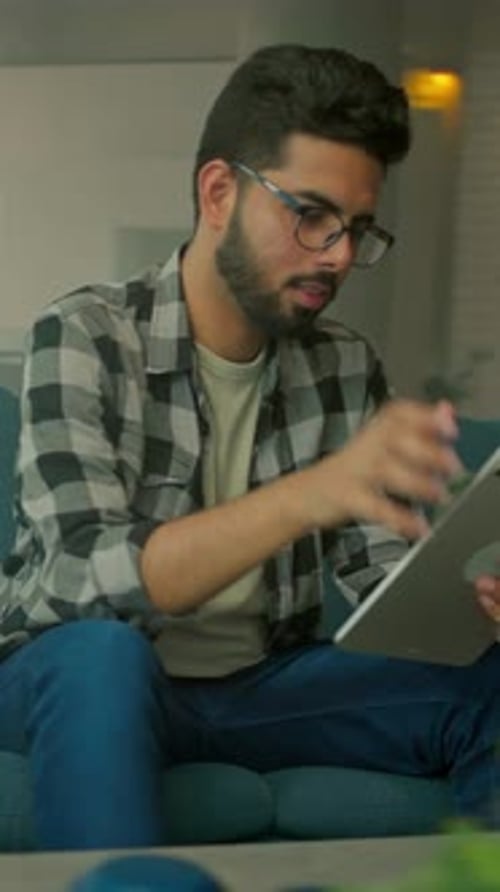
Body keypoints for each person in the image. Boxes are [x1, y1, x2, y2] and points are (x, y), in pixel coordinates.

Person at [1, 43, 500, 852]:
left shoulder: (341, 363)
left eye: (357, 228)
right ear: (219, 193)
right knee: (100, 657)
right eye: (311, 215)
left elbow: (381, 576)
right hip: (77, 675)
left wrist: (462, 599)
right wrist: (308, 494)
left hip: (260, 689)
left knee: (488, 682)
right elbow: (84, 582)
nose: (338, 255)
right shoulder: (86, 334)